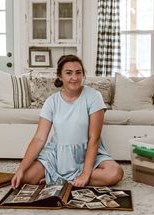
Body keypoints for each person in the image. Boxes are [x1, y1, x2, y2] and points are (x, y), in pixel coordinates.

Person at [11, 55, 124, 188]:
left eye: (78, 72)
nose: (74, 78)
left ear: (83, 74)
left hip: (87, 152)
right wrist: (21, 169)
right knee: (25, 178)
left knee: (115, 173)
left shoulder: (94, 97)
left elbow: (94, 138)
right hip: (57, 154)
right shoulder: (51, 102)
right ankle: (68, 178)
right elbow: (39, 138)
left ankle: (59, 179)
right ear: (60, 76)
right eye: (68, 73)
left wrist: (86, 174)